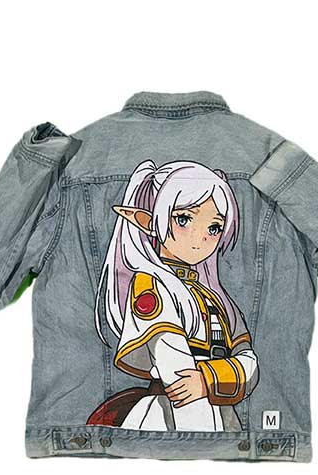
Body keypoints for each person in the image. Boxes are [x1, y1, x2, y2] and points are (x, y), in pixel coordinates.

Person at [88, 159, 259, 432]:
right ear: (149, 222)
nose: (200, 237)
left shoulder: (216, 299)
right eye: (183, 219)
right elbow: (176, 374)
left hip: (220, 415)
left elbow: (249, 362)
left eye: (214, 227)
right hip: (173, 420)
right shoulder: (151, 286)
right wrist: (208, 382)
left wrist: (207, 381)